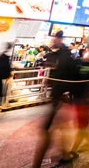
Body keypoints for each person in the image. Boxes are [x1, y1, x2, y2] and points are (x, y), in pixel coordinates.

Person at [32, 31, 79, 167]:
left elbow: (72, 77)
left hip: (61, 99)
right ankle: (63, 155)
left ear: (60, 40)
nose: (52, 41)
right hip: (59, 98)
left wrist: (66, 92)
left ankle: (39, 163)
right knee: (56, 129)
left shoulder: (65, 57)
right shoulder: (58, 55)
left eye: (54, 39)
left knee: (52, 130)